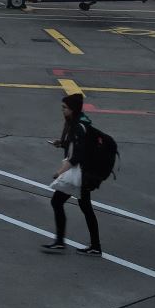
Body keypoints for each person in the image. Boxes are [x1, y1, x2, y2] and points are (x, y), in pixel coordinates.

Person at [41, 94, 102, 256]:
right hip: (80, 173)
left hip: (81, 174)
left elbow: (77, 156)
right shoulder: (75, 123)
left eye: (65, 108)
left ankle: (63, 242)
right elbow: (74, 145)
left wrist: (59, 172)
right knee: (84, 207)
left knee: (59, 202)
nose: (62, 110)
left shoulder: (78, 127)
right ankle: (93, 245)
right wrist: (61, 143)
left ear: (73, 109)